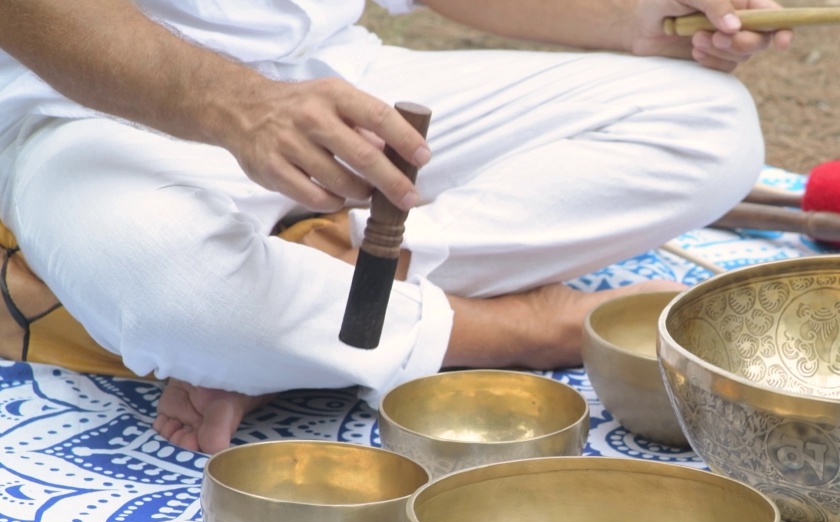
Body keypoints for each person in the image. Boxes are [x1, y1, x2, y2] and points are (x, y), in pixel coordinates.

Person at [0, 0, 791, 454]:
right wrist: (240, 107)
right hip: (88, 113)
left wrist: (636, 20)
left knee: (709, 125)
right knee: (177, 291)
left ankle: (312, 286)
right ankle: (509, 325)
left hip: (337, 76)